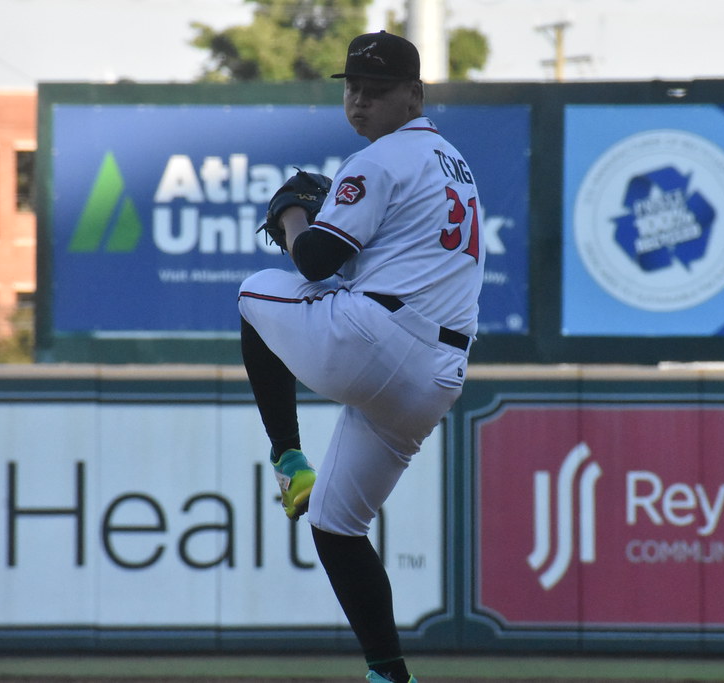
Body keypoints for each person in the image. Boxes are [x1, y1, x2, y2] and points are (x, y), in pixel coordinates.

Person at [237, 30, 485, 683]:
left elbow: (315, 262)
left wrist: (292, 213)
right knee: (336, 522)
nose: (360, 102)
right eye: (353, 88)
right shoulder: (454, 163)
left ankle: (289, 459)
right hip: (436, 377)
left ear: (415, 94)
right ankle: (387, 673)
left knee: (251, 293)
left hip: (379, 341)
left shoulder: (379, 160)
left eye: (377, 91)